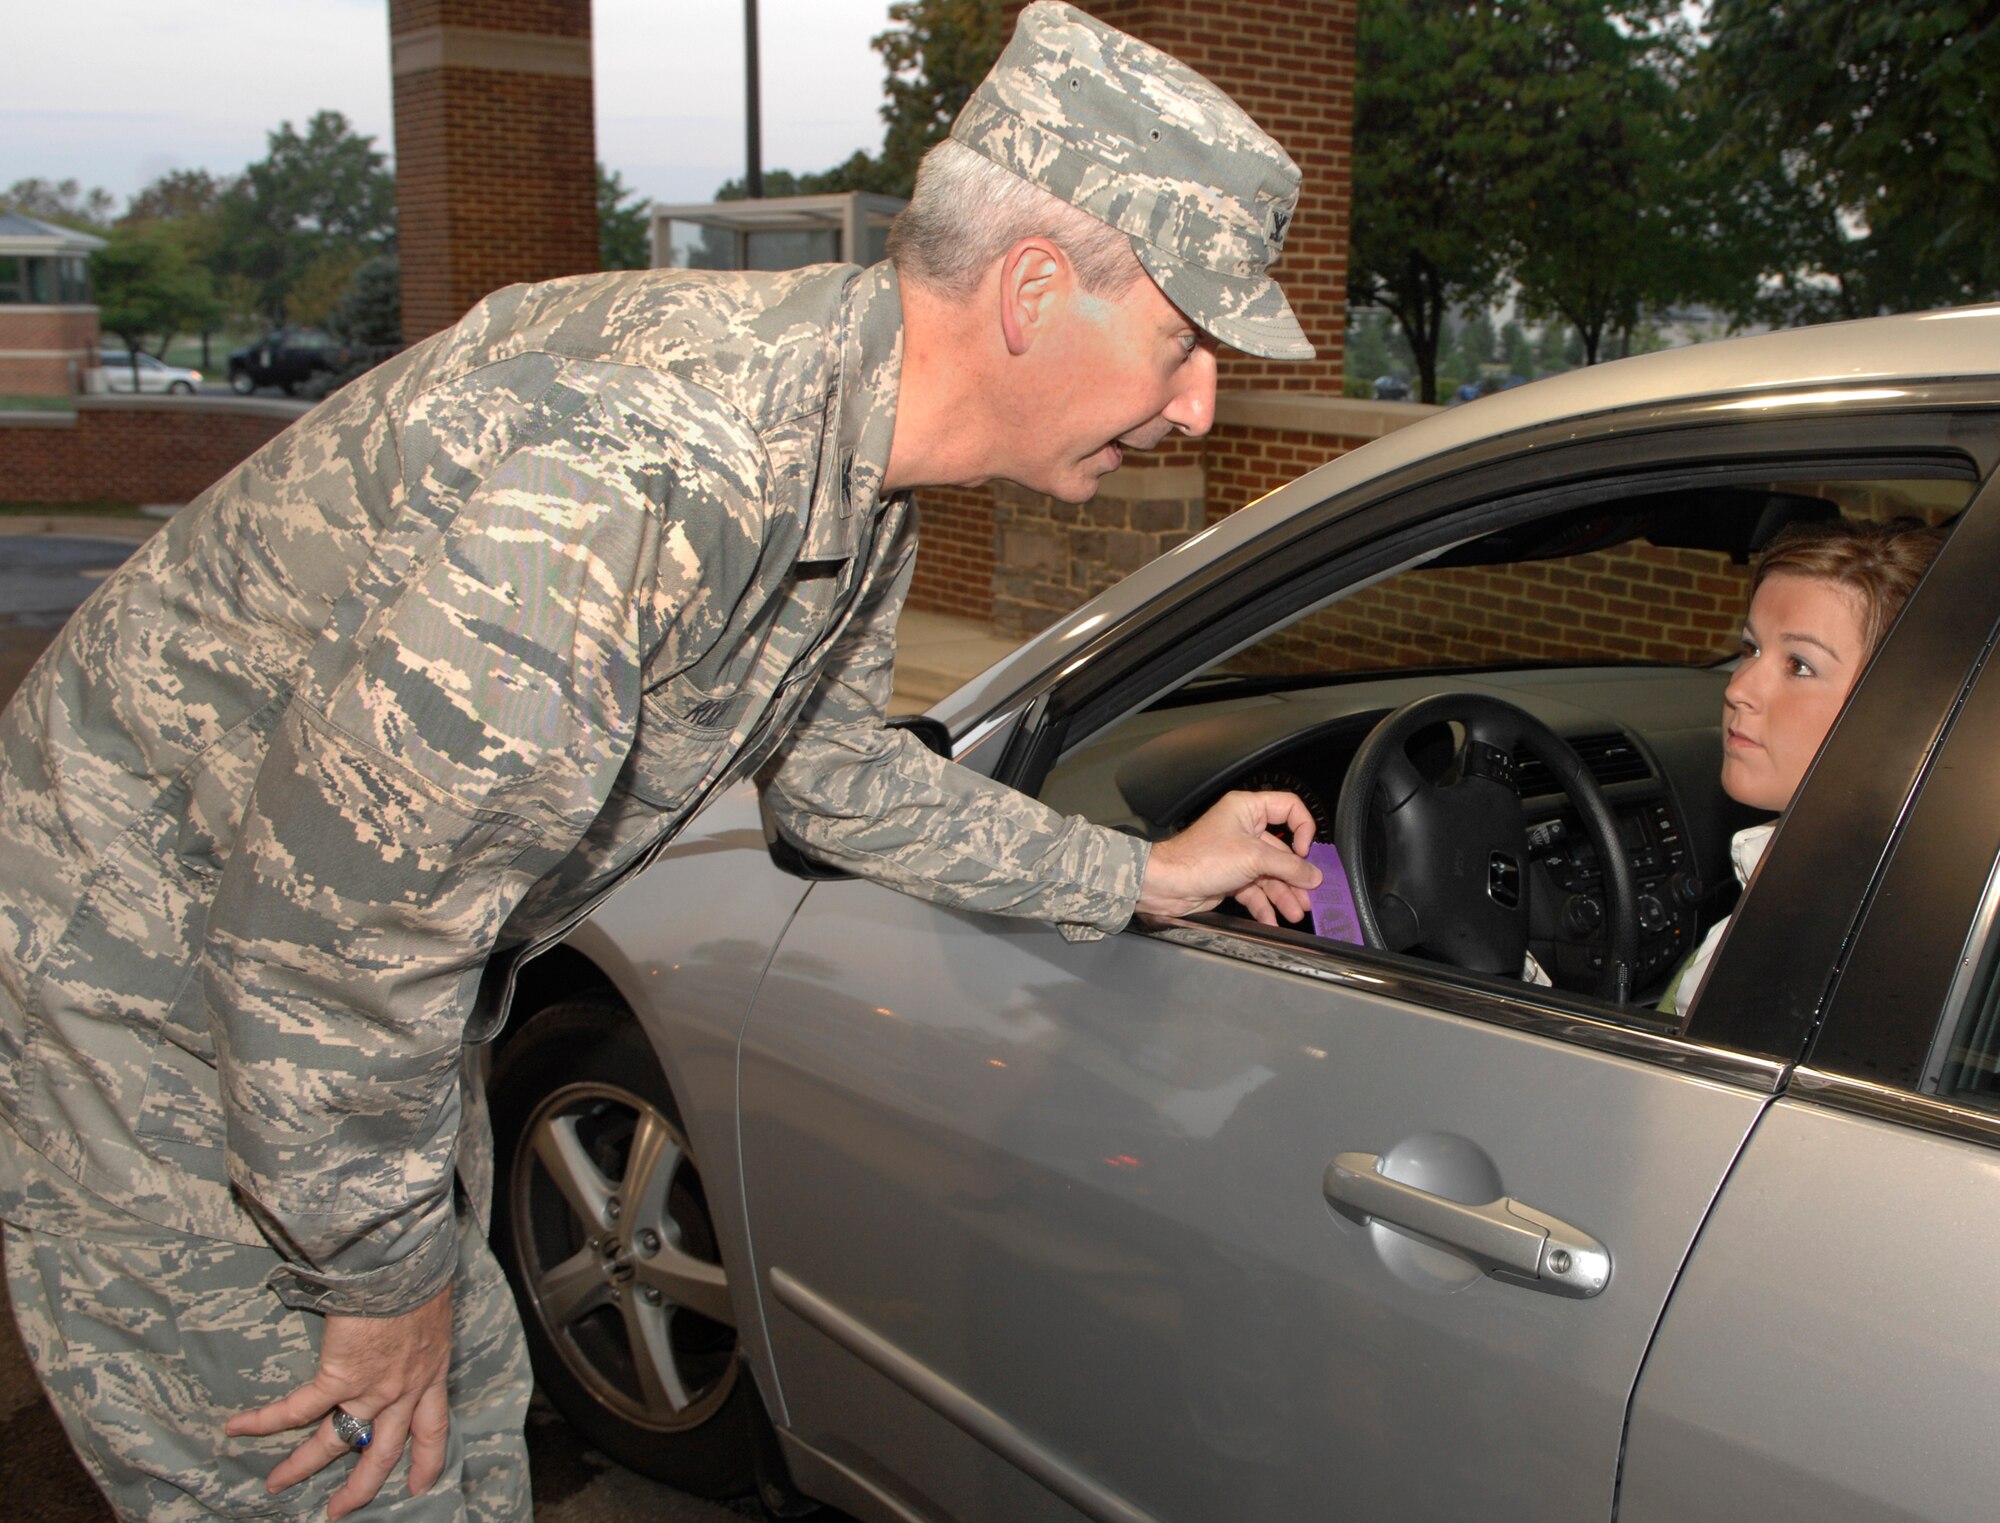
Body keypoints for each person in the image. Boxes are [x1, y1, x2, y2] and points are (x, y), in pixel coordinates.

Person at [0, 5, 1326, 1520]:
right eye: (1184, 340)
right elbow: (328, 946)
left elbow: (833, 775)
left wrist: (1144, 872)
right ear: (1033, 288)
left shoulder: (852, 450)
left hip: (323, 983)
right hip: (155, 980)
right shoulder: (647, 486)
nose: (1201, 402)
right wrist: (371, 1281)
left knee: (459, 1415)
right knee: (362, 1465)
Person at [1666, 517, 1946, 1017]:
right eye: (1750, 648)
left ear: (1898, 707)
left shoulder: (1805, 946)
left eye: (1799, 665)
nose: (1738, 688)